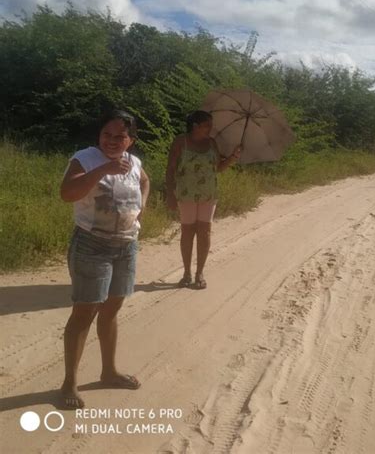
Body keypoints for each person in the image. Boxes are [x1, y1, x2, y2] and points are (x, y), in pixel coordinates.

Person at [60, 110, 150, 409]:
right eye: (106, 135)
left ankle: (109, 371)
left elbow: (145, 182)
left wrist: (142, 207)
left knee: (111, 311)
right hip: (91, 245)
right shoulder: (85, 158)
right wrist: (103, 170)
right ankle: (69, 382)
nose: (112, 141)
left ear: (131, 140)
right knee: (84, 314)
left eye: (120, 137)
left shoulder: (135, 162)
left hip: (126, 246)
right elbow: (67, 193)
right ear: (99, 136)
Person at [166, 110, 241, 289]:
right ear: (195, 126)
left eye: (210, 124)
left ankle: (200, 272)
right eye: (206, 125)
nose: (210, 128)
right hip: (186, 195)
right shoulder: (180, 142)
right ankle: (186, 273)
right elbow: (170, 169)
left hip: (208, 194)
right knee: (187, 232)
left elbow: (218, 168)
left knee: (204, 232)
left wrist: (232, 158)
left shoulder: (212, 143)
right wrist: (170, 193)